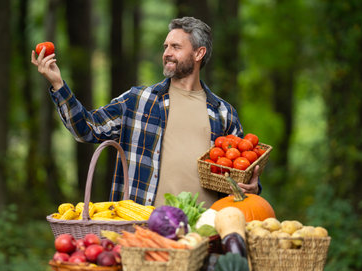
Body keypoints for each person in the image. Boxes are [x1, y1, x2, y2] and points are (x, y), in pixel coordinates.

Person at [31, 16, 261, 207]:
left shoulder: (224, 113)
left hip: (204, 232)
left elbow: (242, 171)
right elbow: (86, 129)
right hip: (143, 228)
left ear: (199, 54)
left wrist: (253, 187)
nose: (167, 52)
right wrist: (59, 85)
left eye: (176, 47)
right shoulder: (138, 100)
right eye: (166, 47)